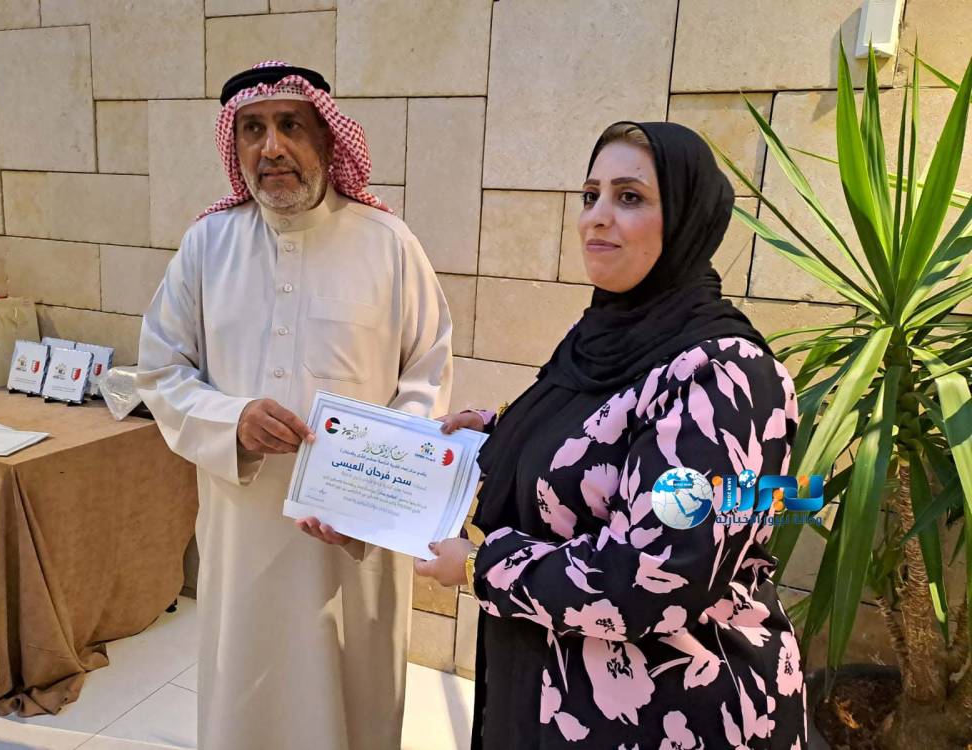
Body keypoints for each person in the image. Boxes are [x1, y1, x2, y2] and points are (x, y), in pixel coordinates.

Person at [417, 122, 807, 748]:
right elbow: (603, 440)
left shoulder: (725, 376)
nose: (596, 216)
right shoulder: (603, 338)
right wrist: (499, 435)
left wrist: (480, 565)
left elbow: (656, 574)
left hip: (668, 709)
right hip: (549, 681)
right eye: (590, 195)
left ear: (686, 218)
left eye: (629, 197)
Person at [136, 60, 452, 750]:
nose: (271, 147)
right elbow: (161, 371)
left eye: (290, 126)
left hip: (353, 536)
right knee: (247, 695)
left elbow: (427, 376)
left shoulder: (388, 244)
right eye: (252, 130)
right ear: (234, 145)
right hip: (243, 526)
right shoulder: (207, 246)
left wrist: (374, 488)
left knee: (353, 691)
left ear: (328, 139)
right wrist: (232, 421)